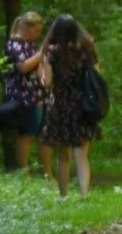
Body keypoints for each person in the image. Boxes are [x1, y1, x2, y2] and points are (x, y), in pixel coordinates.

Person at [39, 13, 102, 198]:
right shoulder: (85, 49)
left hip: (60, 105)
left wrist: (41, 76)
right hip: (82, 106)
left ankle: (63, 196)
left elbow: (47, 83)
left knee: (62, 156)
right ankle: (84, 194)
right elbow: (97, 75)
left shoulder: (51, 53)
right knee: (81, 157)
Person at [3, 11, 53, 177]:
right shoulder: (14, 44)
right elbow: (23, 67)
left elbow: (38, 66)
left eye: (39, 31)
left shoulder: (31, 45)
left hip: (40, 93)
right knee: (27, 134)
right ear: (25, 26)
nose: (37, 34)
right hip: (24, 95)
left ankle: (47, 173)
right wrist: (41, 52)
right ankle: (25, 173)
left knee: (45, 134)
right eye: (35, 30)